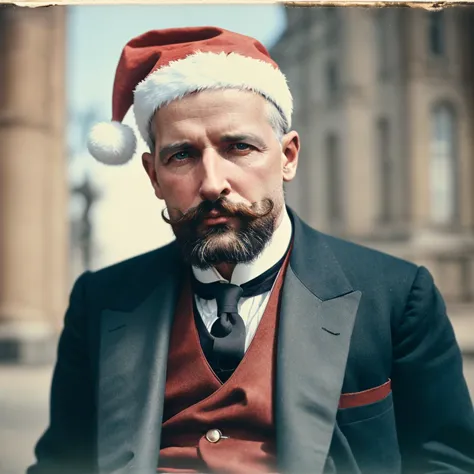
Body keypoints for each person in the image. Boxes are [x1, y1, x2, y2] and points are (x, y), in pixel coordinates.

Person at [28, 26, 474, 474]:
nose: (212, 183)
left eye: (239, 147)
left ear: (288, 157)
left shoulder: (397, 297)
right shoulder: (100, 301)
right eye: (181, 155)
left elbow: (446, 463)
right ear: (153, 175)